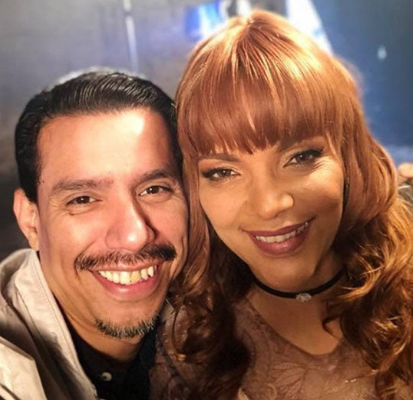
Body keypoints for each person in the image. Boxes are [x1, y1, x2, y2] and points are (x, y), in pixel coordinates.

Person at [151, 10, 413, 400]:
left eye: (301, 157)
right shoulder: (187, 341)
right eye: (223, 171)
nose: (270, 204)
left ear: (348, 157)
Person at [0, 69, 188, 399]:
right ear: (31, 221)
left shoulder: (219, 309)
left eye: (153, 189)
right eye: (83, 199)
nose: (134, 235)